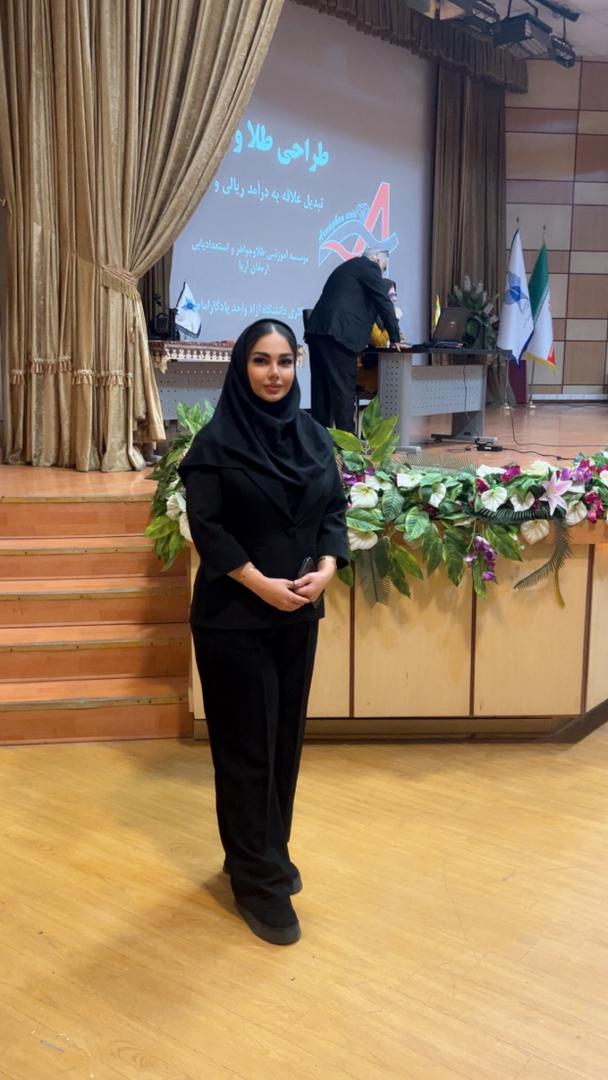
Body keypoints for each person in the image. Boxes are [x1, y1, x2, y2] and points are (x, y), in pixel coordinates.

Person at [178, 319, 348, 947]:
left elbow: (333, 510)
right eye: (260, 360)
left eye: (284, 361)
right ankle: (259, 883)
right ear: (241, 368)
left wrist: (327, 568)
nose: (274, 373)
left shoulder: (311, 435)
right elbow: (209, 529)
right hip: (234, 617)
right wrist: (260, 584)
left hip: (297, 612)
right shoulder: (215, 444)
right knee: (247, 750)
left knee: (283, 744)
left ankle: (263, 851)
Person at [305, 248, 404, 432]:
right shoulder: (369, 268)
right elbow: (383, 301)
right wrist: (395, 337)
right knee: (343, 395)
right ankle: (348, 446)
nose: (382, 271)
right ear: (376, 258)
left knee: (321, 395)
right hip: (339, 335)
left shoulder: (348, 268)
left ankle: (319, 444)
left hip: (318, 332)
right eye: (383, 266)